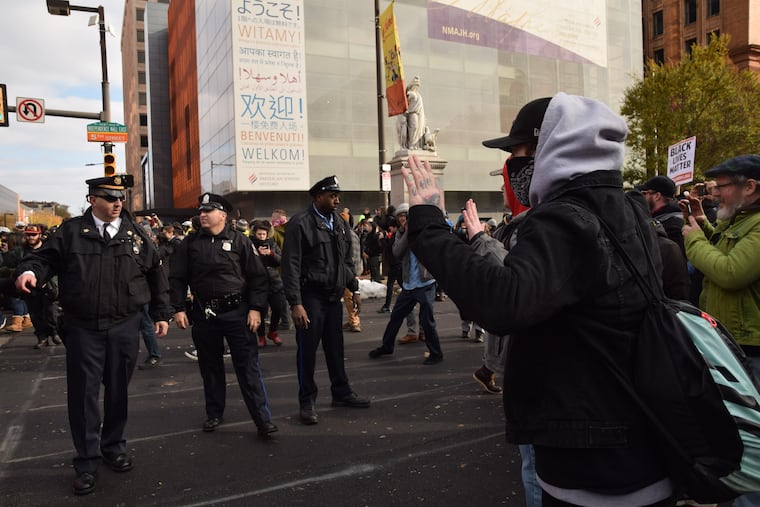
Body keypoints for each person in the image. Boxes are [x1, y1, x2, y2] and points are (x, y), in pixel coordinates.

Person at [401, 94, 676, 506]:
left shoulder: (565, 219)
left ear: (550, 151)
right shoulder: (626, 207)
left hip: (596, 464)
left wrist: (428, 223)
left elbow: (502, 302)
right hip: (637, 442)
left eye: (518, 155)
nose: (510, 169)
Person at [15, 175, 171, 496]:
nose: (117, 204)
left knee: (118, 391)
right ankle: (86, 461)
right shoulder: (70, 232)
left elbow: (156, 273)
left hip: (125, 324)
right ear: (92, 200)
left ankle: (113, 446)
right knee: (84, 394)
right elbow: (42, 259)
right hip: (83, 326)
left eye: (120, 198)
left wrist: (161, 313)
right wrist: (29, 272)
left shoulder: (136, 235)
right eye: (109, 197)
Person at [680, 154, 760, 507]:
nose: (714, 194)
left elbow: (730, 272)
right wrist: (702, 224)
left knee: (751, 444)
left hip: (753, 350)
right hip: (738, 346)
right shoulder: (745, 220)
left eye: (721, 187)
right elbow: (728, 251)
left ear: (751, 187)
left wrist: (694, 240)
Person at [170, 193, 277, 439]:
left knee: (247, 367)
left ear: (223, 216)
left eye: (209, 211)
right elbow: (177, 278)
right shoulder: (190, 243)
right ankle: (214, 412)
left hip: (237, 313)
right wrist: (177, 308)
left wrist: (255, 308)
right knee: (210, 367)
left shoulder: (240, 241)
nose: (203, 215)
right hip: (205, 313)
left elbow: (258, 278)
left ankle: (262, 419)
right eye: (201, 211)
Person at [282, 175, 370, 426]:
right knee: (307, 351)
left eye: (337, 195)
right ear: (318, 196)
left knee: (336, 348)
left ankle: (341, 392)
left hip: (333, 296)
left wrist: (354, 288)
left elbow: (346, 261)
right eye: (332, 196)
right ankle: (307, 401)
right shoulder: (300, 223)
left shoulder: (339, 223)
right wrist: (295, 303)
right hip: (310, 296)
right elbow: (291, 266)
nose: (337, 200)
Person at [368, 202, 444, 365]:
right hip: (410, 284)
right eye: (400, 216)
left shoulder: (423, 230)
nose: (403, 219)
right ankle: (386, 346)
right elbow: (397, 252)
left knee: (426, 320)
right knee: (395, 316)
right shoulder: (401, 234)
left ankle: (436, 353)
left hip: (426, 282)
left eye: (405, 216)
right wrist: (408, 232)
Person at [20, 225, 61, 348]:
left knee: (51, 311)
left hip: (48, 286)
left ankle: (54, 332)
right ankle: (42, 337)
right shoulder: (21, 251)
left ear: (39, 235)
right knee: (35, 314)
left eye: (33, 234)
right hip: (30, 288)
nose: (30, 237)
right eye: (28, 235)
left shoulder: (49, 248)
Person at [250, 219, 286, 346]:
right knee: (260, 310)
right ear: (254, 233)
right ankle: (261, 336)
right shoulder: (250, 244)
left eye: (263, 234)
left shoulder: (272, 243)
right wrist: (258, 255)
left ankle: (273, 331)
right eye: (259, 234)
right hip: (257, 282)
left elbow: (281, 260)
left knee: (279, 307)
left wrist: (270, 253)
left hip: (274, 280)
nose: (261, 237)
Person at [640, 175, 685, 254]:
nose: (642, 197)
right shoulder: (668, 217)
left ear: (657, 196)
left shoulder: (673, 227)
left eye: (645, 193)